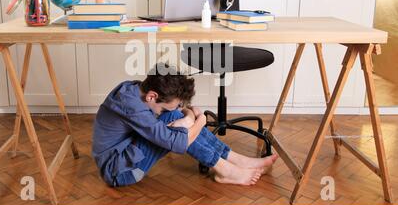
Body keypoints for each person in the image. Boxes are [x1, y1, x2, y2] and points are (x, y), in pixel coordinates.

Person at [92, 64, 278, 187]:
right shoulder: (133, 106)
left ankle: (234, 159)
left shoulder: (139, 90)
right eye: (165, 108)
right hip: (119, 171)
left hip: (125, 152)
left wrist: (188, 116)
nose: (169, 110)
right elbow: (179, 143)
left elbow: (177, 112)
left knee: (176, 118)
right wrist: (200, 121)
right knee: (178, 128)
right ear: (152, 96)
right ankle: (225, 170)